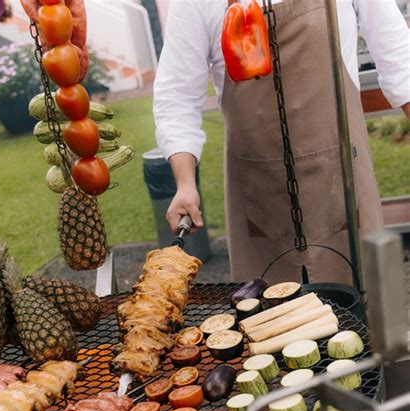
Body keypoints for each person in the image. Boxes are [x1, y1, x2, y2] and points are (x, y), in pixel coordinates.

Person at [153, 0, 410, 284]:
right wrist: (185, 183)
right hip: (258, 194)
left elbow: (398, 55)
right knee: (266, 318)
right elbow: (177, 96)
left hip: (343, 183)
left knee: (367, 309)